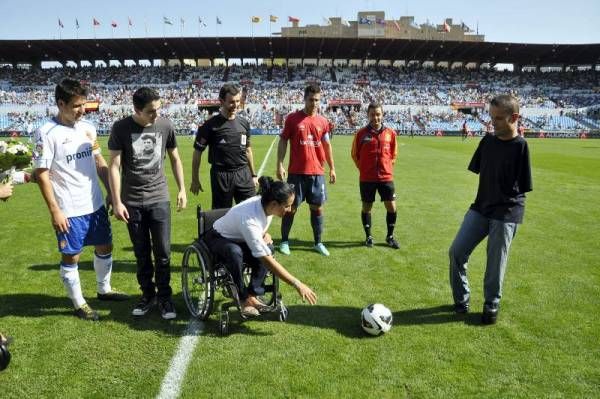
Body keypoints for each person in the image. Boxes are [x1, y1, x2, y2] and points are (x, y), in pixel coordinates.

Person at [33, 78, 128, 321]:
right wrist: (55, 210)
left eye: (83, 104)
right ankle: (79, 303)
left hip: (94, 202)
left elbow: (99, 161)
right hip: (69, 208)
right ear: (60, 103)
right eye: (76, 106)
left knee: (105, 245)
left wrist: (111, 192)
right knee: (72, 255)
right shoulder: (45, 133)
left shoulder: (88, 128)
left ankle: (104, 289)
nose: (82, 110)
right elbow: (42, 174)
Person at [449, 94, 532, 325]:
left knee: (495, 262)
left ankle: (491, 302)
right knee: (456, 252)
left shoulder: (521, 147)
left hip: (507, 212)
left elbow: (523, 187)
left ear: (513, 117)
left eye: (498, 118)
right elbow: (479, 171)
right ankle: (461, 300)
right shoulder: (487, 141)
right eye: (490, 117)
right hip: (481, 207)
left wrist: (508, 215)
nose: (492, 122)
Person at [108, 87, 186, 320]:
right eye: (151, 111)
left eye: (159, 109)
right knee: (142, 254)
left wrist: (182, 189)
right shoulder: (121, 128)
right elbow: (114, 166)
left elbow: (175, 158)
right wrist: (116, 200)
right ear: (137, 110)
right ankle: (147, 295)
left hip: (159, 198)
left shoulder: (165, 125)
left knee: (163, 253)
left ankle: (165, 298)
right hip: (132, 201)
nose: (156, 115)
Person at [204, 176, 317, 317]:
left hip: (240, 237)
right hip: (218, 238)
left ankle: (252, 294)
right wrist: (297, 284)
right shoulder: (249, 219)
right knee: (237, 252)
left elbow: (259, 225)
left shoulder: (266, 205)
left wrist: (263, 233)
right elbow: (266, 259)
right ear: (275, 204)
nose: (290, 210)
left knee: (267, 248)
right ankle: (242, 298)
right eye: (287, 205)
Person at [276, 84, 336, 257]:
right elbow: (283, 141)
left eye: (317, 100)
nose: (314, 103)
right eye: (311, 99)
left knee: (317, 208)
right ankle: (285, 242)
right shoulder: (293, 119)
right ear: (304, 99)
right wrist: (279, 164)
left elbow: (326, 145)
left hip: (317, 173)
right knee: (291, 208)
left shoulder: (323, 122)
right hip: (297, 172)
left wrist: (332, 168)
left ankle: (318, 242)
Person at [190, 83, 258, 209]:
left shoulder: (244, 123)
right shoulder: (209, 126)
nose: (236, 105)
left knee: (252, 211)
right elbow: (197, 153)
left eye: (238, 101)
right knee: (221, 215)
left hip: (243, 173)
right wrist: (195, 179)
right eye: (231, 102)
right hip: (221, 175)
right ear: (221, 101)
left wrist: (253, 175)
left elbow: (248, 150)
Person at [351, 103, 400, 249]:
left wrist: (387, 167)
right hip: (367, 178)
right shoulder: (360, 134)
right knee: (367, 207)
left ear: (382, 115)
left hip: (386, 177)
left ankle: (390, 237)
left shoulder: (391, 133)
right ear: (368, 115)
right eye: (372, 114)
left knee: (391, 206)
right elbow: (355, 154)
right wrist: (364, 169)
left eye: (378, 114)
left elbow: (393, 154)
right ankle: (368, 236)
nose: (375, 117)